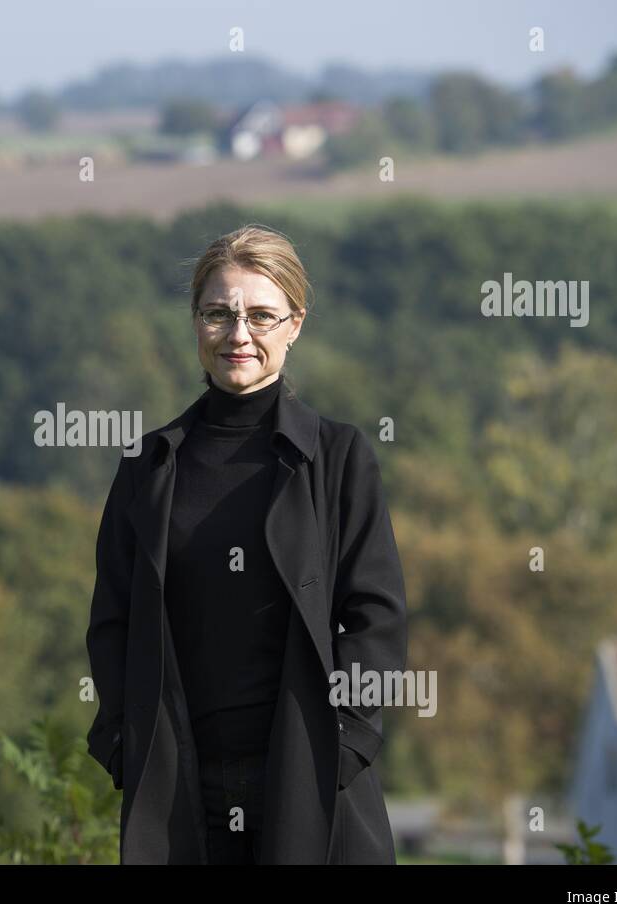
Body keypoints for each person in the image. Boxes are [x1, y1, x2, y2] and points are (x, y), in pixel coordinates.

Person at [86, 223, 408, 864]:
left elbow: (377, 619)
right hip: (180, 795)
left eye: (262, 315)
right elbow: (112, 622)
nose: (239, 335)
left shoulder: (338, 457)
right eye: (219, 314)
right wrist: (121, 744)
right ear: (195, 321)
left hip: (312, 781)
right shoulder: (146, 467)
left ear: (295, 325)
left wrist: (345, 748)